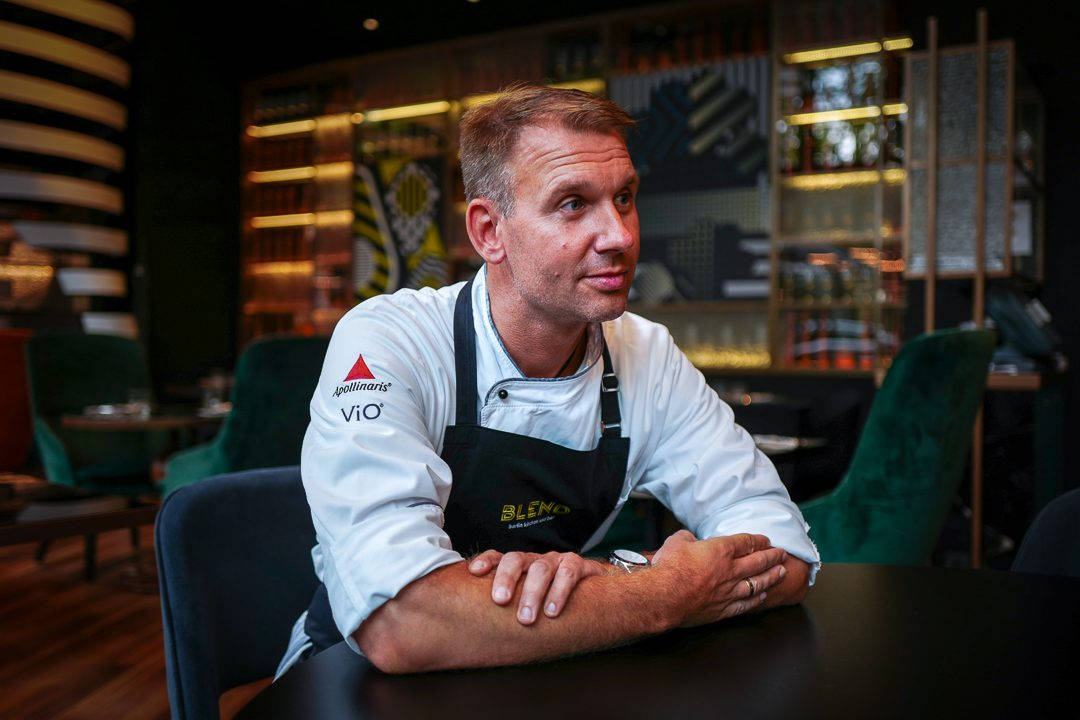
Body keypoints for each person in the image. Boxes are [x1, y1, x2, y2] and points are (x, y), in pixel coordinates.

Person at [276, 84, 820, 676]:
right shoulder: (391, 342)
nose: (620, 236)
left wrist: (609, 586)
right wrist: (666, 592)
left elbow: (785, 550)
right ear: (489, 232)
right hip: (345, 676)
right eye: (573, 204)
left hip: (540, 670)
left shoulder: (646, 354)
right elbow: (403, 623)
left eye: (625, 197)